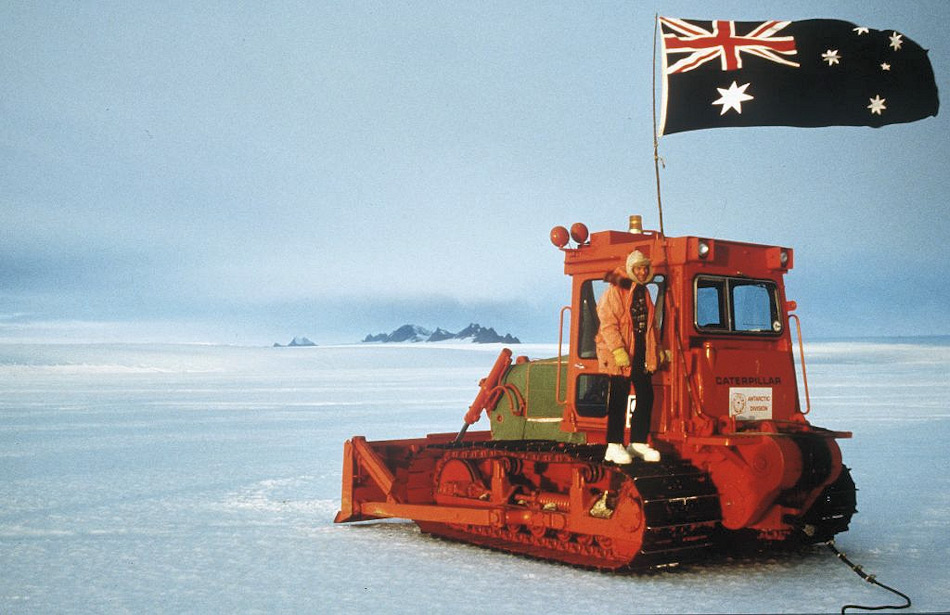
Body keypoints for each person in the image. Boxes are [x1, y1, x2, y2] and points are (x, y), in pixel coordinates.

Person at [595, 249, 662, 464]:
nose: (642, 272)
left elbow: (650, 327)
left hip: (640, 350)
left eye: (645, 268)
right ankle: (613, 445)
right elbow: (607, 323)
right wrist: (617, 350)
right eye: (638, 268)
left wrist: (657, 349)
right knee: (619, 398)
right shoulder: (616, 291)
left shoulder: (645, 292)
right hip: (621, 353)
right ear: (630, 269)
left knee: (646, 395)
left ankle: (637, 442)